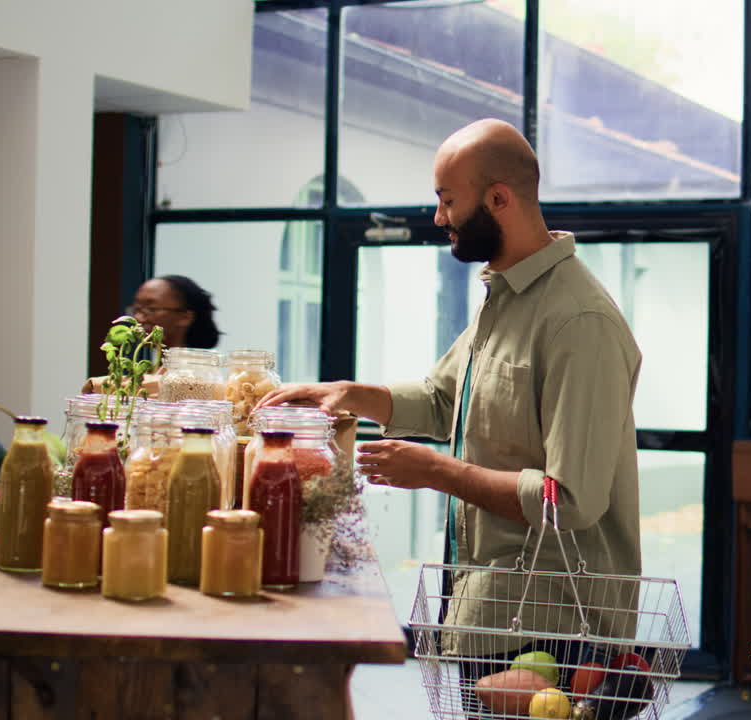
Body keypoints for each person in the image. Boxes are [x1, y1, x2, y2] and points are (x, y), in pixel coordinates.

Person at [257, 119, 642, 697]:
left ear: (498, 199)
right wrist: (347, 394)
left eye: (446, 200)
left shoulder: (578, 322)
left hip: (559, 630)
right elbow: (444, 400)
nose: (438, 218)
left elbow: (570, 500)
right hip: (492, 615)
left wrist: (437, 472)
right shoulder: (506, 297)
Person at [127, 275, 222, 349]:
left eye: (151, 309)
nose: (138, 318)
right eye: (137, 309)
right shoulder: (150, 371)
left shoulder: (194, 373)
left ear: (185, 317)